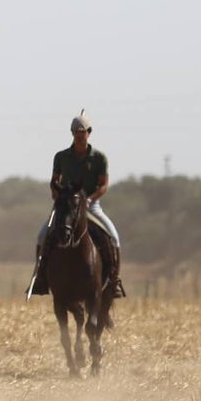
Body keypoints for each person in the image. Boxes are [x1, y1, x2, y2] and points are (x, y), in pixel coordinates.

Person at [29, 110, 125, 298]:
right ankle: (40, 278)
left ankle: (114, 281)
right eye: (76, 133)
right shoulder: (61, 157)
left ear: (89, 132)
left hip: (91, 205)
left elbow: (103, 185)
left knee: (113, 237)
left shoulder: (99, 158)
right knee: (42, 236)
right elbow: (54, 180)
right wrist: (57, 194)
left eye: (83, 133)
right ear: (72, 133)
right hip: (66, 206)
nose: (80, 136)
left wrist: (90, 199)